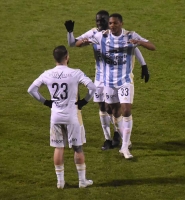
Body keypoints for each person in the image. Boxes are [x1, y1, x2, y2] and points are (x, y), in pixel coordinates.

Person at [64, 10, 150, 151]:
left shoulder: (119, 34)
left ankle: (118, 134)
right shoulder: (94, 34)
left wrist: (144, 65)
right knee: (103, 107)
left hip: (116, 77)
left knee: (116, 108)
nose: (100, 23)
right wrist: (70, 32)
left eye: (103, 21)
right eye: (97, 21)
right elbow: (73, 43)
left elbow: (133, 48)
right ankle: (107, 138)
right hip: (100, 78)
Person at [82, 13, 155, 159]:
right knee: (111, 111)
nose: (111, 25)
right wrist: (80, 39)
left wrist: (141, 49)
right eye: (110, 23)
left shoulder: (129, 35)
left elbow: (149, 47)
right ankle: (114, 137)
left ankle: (124, 146)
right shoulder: (100, 36)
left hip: (125, 80)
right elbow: (75, 44)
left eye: (114, 23)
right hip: (106, 81)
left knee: (126, 110)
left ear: (121, 23)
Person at [27, 45, 96, 188]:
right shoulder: (75, 73)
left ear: (54, 58)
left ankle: (60, 182)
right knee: (77, 148)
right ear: (67, 57)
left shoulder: (47, 74)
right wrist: (84, 101)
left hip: (56, 117)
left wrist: (46, 102)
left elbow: (31, 90)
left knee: (59, 148)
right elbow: (92, 87)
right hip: (72, 117)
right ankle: (82, 181)